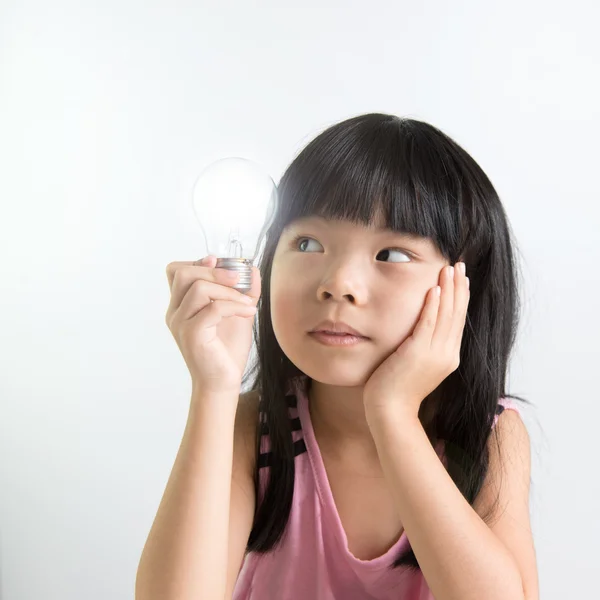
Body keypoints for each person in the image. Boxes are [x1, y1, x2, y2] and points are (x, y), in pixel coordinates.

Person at [136, 113, 540, 600]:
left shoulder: (489, 435)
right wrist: (214, 387)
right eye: (308, 243)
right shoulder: (258, 429)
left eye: (390, 254)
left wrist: (393, 415)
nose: (338, 284)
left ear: (461, 287)